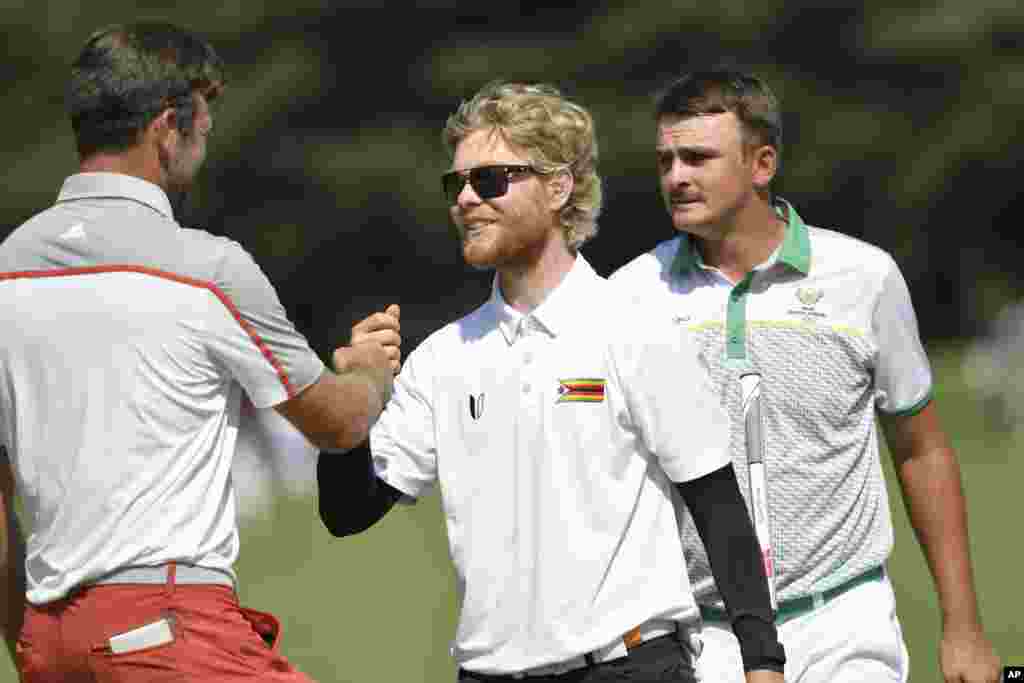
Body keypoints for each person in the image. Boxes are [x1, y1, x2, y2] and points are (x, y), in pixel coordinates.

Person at [318, 80, 785, 682]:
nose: (464, 198)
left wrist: (763, 663)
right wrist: (352, 398)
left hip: (630, 667)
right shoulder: (442, 359)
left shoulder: (635, 328)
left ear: (559, 186)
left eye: (489, 180)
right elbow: (348, 511)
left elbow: (717, 505)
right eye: (454, 183)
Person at [0, 22, 396, 682]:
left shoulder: (6, 272)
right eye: (202, 129)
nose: (204, 147)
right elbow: (338, 422)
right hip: (169, 628)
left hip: (49, 640)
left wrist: (31, 644)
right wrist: (370, 375)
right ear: (165, 128)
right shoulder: (207, 269)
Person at [610, 68, 1002, 683]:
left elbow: (921, 451)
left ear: (761, 164)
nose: (676, 177)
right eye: (665, 161)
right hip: (702, 636)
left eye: (697, 157)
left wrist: (963, 628)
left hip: (845, 620)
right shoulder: (630, 295)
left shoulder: (864, 278)